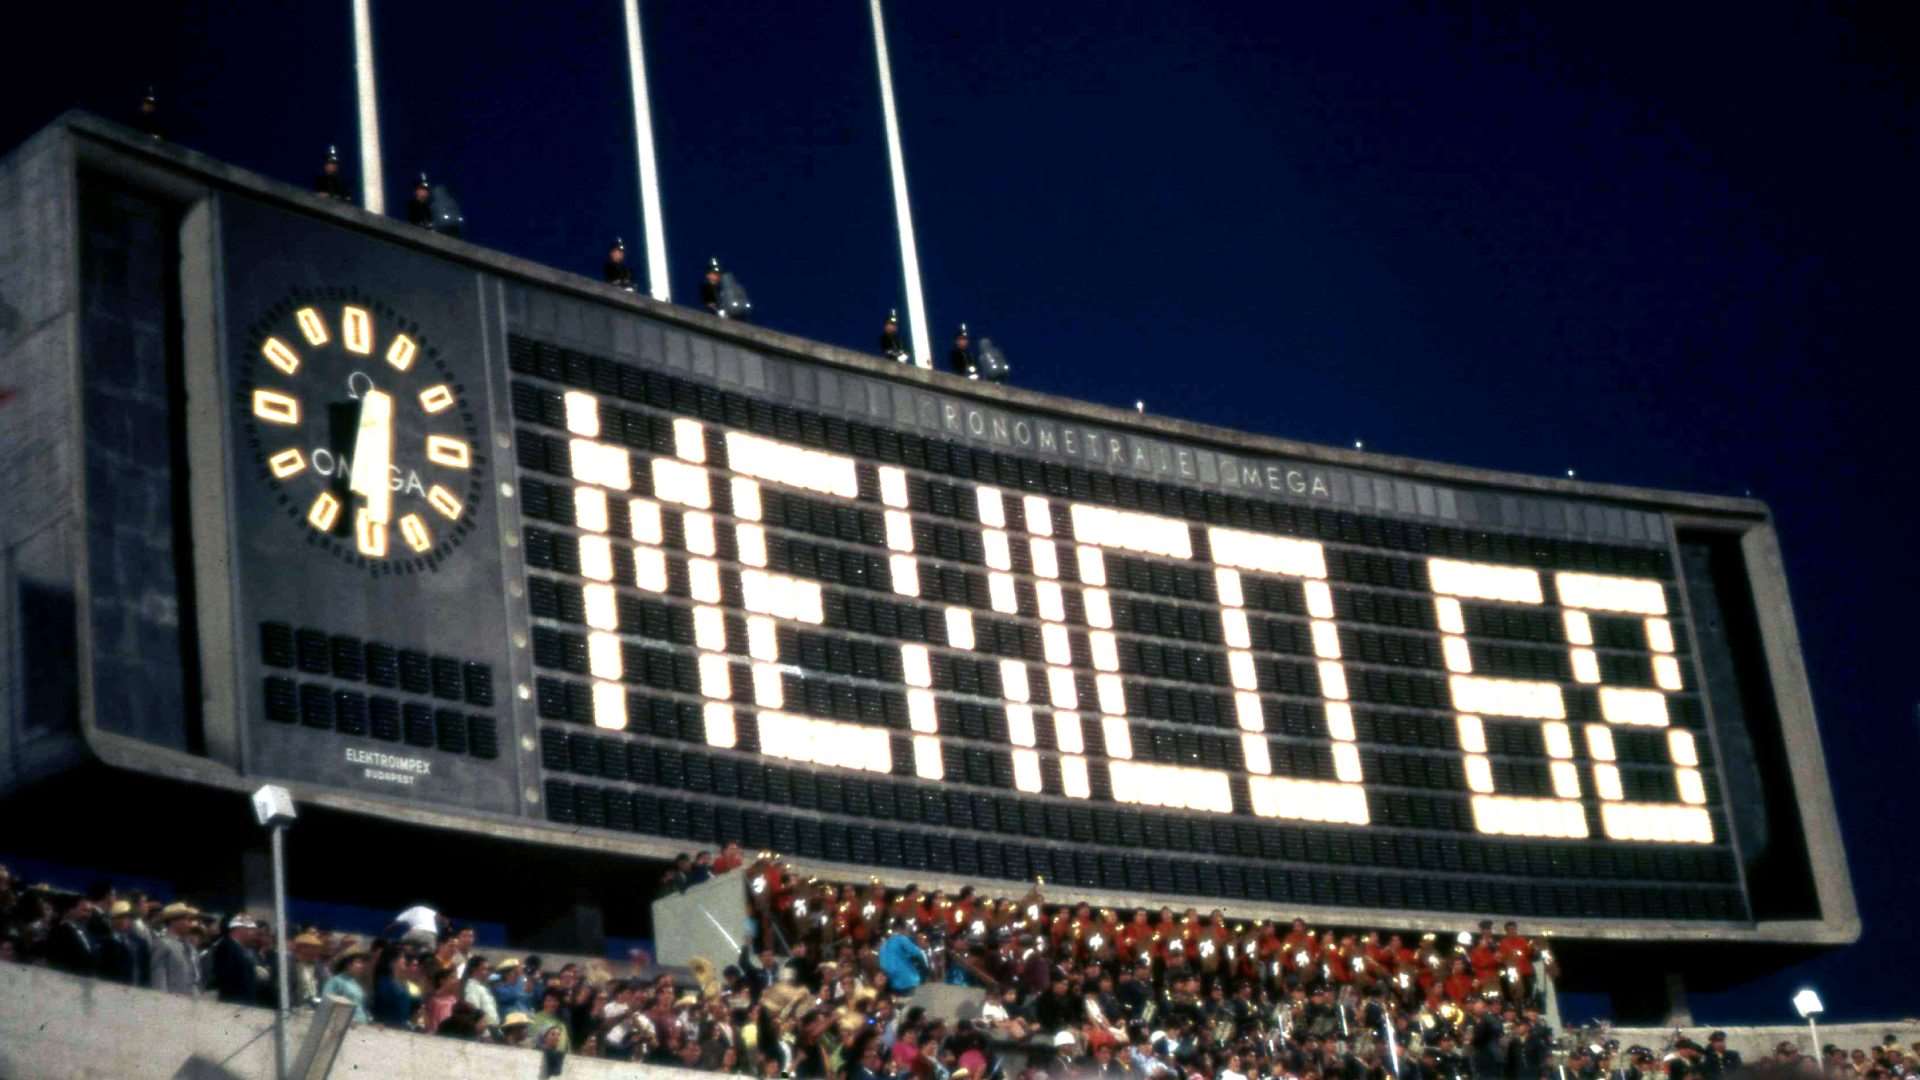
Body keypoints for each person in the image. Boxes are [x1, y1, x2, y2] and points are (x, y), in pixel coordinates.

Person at [210, 915, 268, 1005]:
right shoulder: (226, 947)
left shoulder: (240, 949)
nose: (254, 933)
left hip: (244, 1003)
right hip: (234, 1003)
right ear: (240, 929)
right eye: (251, 929)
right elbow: (228, 979)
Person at [151, 902, 202, 996]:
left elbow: (196, 978)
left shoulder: (191, 948)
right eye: (187, 920)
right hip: (173, 1004)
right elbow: (159, 980)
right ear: (174, 922)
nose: (190, 925)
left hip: (192, 1003)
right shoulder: (162, 944)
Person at [98, 900, 151, 986]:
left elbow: (145, 970)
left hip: (138, 989)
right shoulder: (105, 942)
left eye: (127, 917)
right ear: (112, 920)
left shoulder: (140, 942)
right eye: (120, 917)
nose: (124, 920)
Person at [44, 893, 98, 976]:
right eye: (84, 910)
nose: (88, 915)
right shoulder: (60, 931)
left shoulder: (86, 933)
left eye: (90, 912)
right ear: (71, 910)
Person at [322, 948, 373, 1024]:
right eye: (359, 962)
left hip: (361, 1025)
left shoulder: (356, 984)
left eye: (363, 963)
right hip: (346, 1026)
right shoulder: (336, 981)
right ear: (348, 964)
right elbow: (327, 1003)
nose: (362, 966)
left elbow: (360, 1006)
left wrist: (369, 1019)